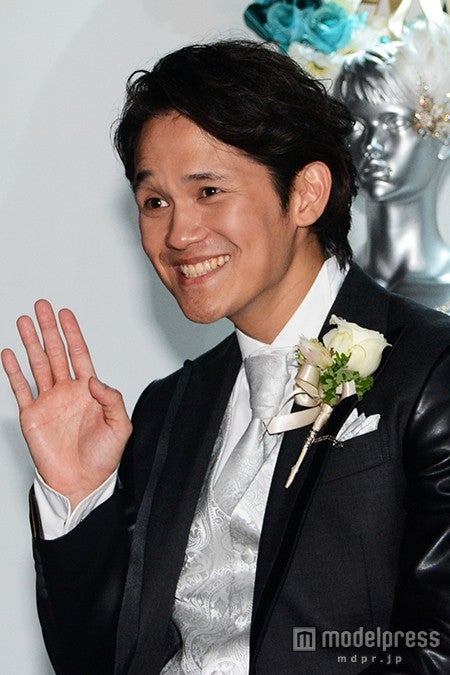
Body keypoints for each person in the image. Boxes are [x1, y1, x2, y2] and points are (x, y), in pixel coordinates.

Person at [2, 40, 450, 675]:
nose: (179, 234)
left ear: (307, 194)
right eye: (155, 202)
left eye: (209, 190)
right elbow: (102, 660)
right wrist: (80, 498)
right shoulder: (168, 407)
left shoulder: (429, 370)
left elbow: (436, 650)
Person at [333, 20, 450, 312]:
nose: (371, 145)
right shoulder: (325, 284)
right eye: (356, 126)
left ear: (443, 136)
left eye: (394, 123)